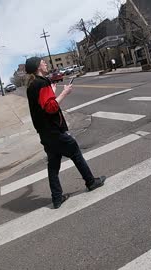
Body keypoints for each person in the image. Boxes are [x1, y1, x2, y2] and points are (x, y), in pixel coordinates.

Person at [25, 56, 106, 209]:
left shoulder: (32, 86)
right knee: (75, 152)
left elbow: (43, 105)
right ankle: (91, 182)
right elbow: (51, 108)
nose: (45, 63)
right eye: (42, 62)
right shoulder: (42, 83)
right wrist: (65, 93)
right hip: (54, 131)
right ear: (37, 67)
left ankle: (57, 198)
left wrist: (53, 92)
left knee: (53, 165)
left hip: (45, 134)